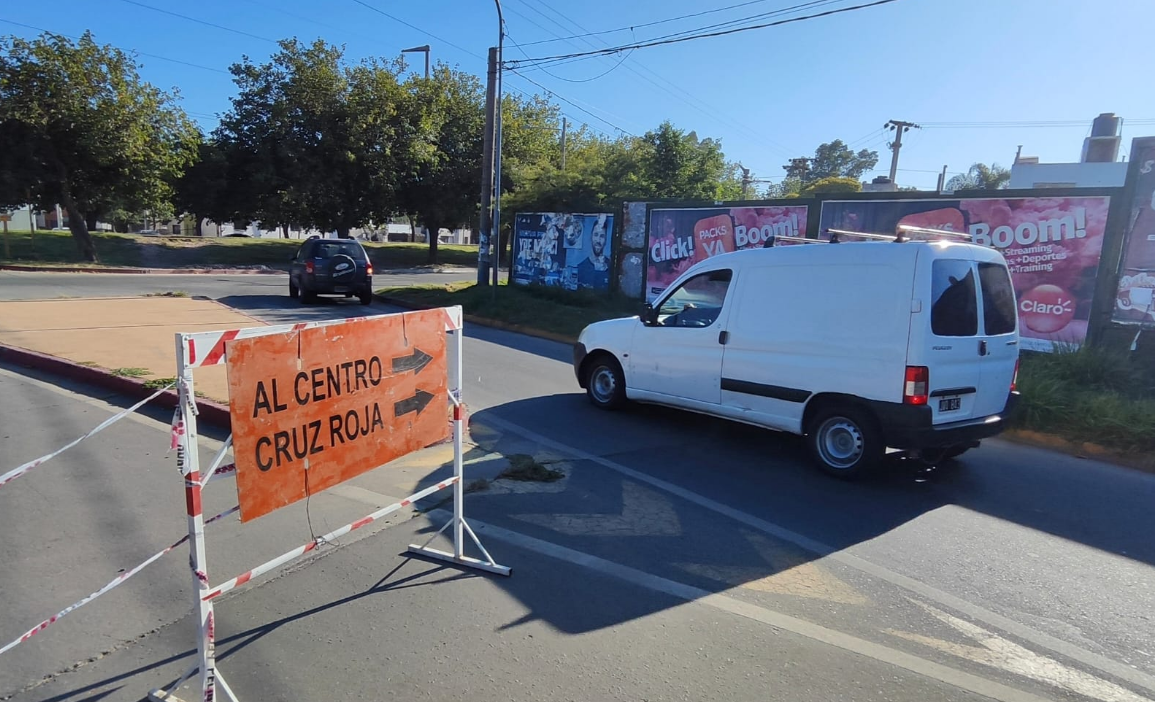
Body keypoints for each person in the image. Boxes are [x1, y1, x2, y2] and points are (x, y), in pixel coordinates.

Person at [575, 214, 610, 289]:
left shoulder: (611, 267)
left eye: (602, 236)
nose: (598, 240)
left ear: (606, 240)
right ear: (591, 237)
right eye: (596, 235)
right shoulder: (581, 267)